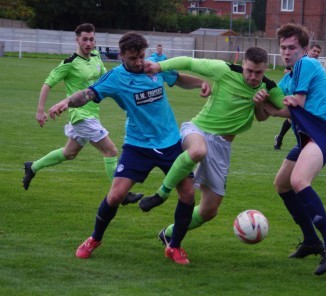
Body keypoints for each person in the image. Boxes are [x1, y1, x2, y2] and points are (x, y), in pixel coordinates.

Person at [48, 32, 211, 264]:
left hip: (170, 142)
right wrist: (66, 102)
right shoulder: (115, 77)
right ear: (122, 55)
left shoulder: (154, 67)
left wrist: (200, 83)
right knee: (115, 196)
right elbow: (88, 94)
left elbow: (177, 78)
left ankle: (174, 246)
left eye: (141, 56)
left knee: (187, 195)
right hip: (138, 145)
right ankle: (95, 238)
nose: (139, 62)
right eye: (133, 58)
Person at [140, 47, 285, 252]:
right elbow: (189, 62)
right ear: (243, 65)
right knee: (198, 151)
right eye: (249, 70)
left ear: (266, 69)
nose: (253, 77)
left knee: (209, 210)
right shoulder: (224, 70)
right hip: (198, 129)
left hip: (222, 146)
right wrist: (159, 66)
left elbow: (282, 111)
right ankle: (160, 195)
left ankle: (169, 233)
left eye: (258, 72)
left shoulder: (269, 87)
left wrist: (293, 102)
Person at [256, 23, 326, 276]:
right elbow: (279, 111)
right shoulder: (289, 76)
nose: (286, 52)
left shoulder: (307, 64)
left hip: (323, 134)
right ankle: (310, 241)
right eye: (283, 47)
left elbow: (298, 102)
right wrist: (264, 104)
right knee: (282, 184)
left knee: (298, 180)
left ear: (304, 49)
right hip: (306, 137)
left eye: (292, 47)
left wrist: (280, 102)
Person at [22, 23, 142, 204]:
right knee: (111, 151)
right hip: (81, 116)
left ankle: (33, 167)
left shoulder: (95, 56)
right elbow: (47, 83)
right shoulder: (69, 63)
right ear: (77, 40)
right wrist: (40, 110)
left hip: (92, 114)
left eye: (91, 39)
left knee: (69, 153)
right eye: (84, 39)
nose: (88, 43)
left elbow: (105, 78)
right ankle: (121, 194)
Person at [273, 42, 322, 150]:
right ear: (307, 51)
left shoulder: (313, 65)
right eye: (314, 51)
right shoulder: (302, 62)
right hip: (293, 89)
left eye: (318, 52)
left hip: (302, 94)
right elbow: (290, 69)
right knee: (296, 115)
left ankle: (281, 138)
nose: (316, 53)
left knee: (294, 118)